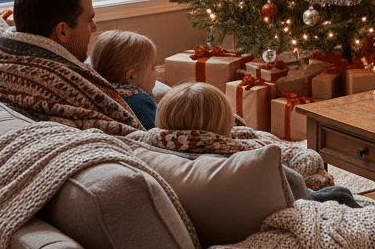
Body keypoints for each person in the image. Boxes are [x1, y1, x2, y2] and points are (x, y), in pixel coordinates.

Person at [0, 0, 144, 134]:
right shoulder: (66, 89)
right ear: (62, 31)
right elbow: (136, 137)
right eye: (88, 20)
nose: (94, 28)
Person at [143, 81, 348, 199]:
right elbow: (307, 160)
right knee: (340, 194)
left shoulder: (155, 145)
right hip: (294, 196)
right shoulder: (239, 152)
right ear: (222, 126)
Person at [91, 30, 159, 129]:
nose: (155, 73)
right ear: (131, 76)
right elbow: (156, 135)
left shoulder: (95, 95)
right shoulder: (140, 101)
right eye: (153, 68)